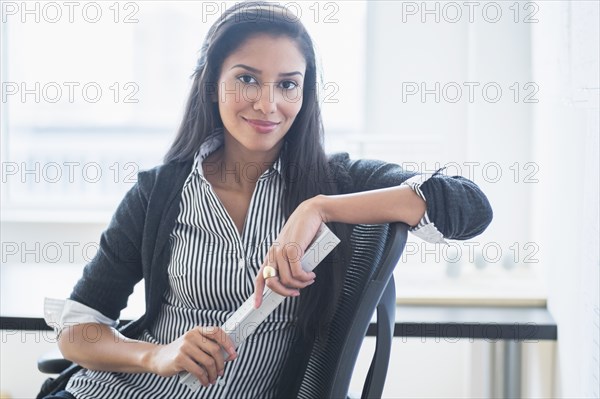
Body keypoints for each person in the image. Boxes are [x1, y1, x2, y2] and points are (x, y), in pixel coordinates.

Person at [41, 2, 493, 398]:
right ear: (211, 82)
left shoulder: (338, 183)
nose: (267, 103)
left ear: (304, 92)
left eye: (287, 84)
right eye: (247, 79)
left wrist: (317, 208)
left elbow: (468, 207)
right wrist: (157, 356)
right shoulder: (158, 192)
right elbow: (78, 328)